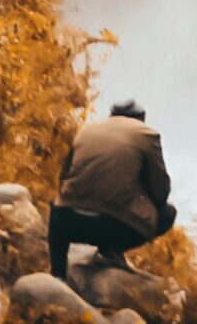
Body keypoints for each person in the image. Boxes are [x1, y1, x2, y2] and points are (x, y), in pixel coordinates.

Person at [49, 99, 176, 278]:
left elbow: (63, 179)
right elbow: (161, 192)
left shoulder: (87, 130)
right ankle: (112, 249)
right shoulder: (146, 135)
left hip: (66, 223)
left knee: (58, 206)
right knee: (167, 213)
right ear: (141, 119)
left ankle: (58, 275)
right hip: (112, 229)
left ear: (111, 115)